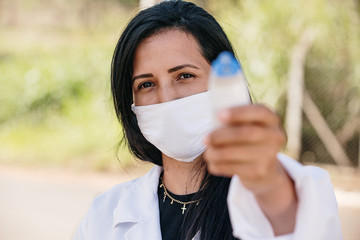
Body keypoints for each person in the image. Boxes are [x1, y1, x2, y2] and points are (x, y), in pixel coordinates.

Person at [74, 1, 342, 239]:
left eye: (184, 76)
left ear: (225, 84)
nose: (166, 97)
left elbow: (299, 227)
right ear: (130, 104)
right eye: (146, 84)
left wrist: (271, 187)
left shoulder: (289, 192)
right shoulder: (104, 216)